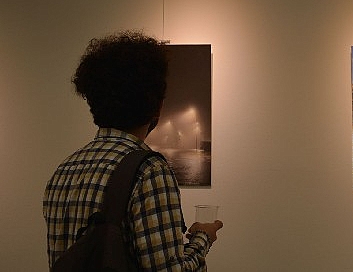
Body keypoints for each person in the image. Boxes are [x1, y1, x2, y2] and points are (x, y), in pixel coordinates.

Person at [43, 30, 223, 271]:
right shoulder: (149, 171)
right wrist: (203, 238)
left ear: (94, 102)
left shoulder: (63, 171)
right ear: (157, 106)